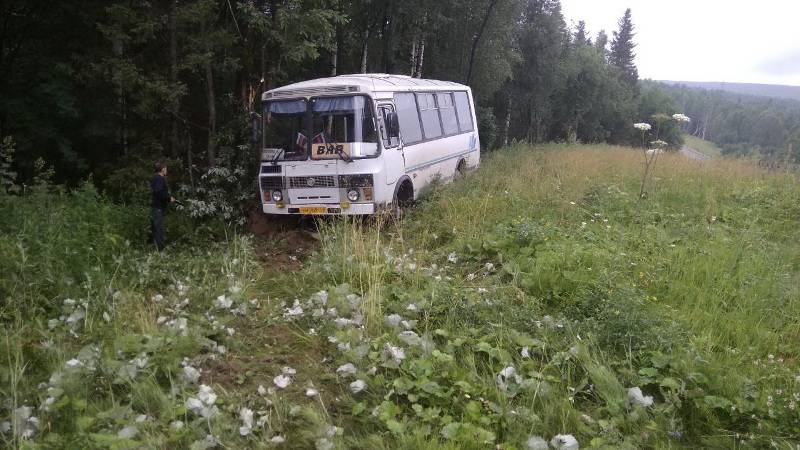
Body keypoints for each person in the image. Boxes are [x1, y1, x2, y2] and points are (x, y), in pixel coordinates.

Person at [150, 162, 175, 251]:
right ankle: (161, 249)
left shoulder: (157, 178)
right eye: (166, 169)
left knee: (155, 227)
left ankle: (156, 246)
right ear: (163, 169)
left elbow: (158, 191)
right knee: (158, 227)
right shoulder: (159, 178)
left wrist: (168, 197)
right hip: (158, 207)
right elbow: (159, 192)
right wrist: (169, 198)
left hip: (157, 207)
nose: (166, 170)